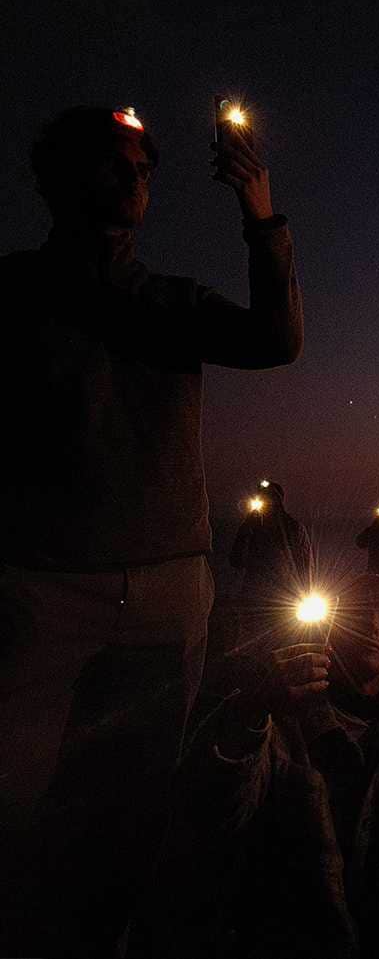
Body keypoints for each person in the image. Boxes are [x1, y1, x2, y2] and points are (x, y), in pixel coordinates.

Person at [0, 103, 302, 956]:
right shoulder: (16, 293)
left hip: (169, 589)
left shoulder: (168, 303)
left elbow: (277, 339)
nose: (136, 179)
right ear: (58, 177)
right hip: (42, 586)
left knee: (132, 811)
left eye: (146, 167)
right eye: (116, 162)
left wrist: (259, 206)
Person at [141, 573, 379, 959]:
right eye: (359, 614)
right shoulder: (283, 714)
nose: (373, 628)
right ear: (331, 628)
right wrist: (253, 710)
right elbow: (213, 810)